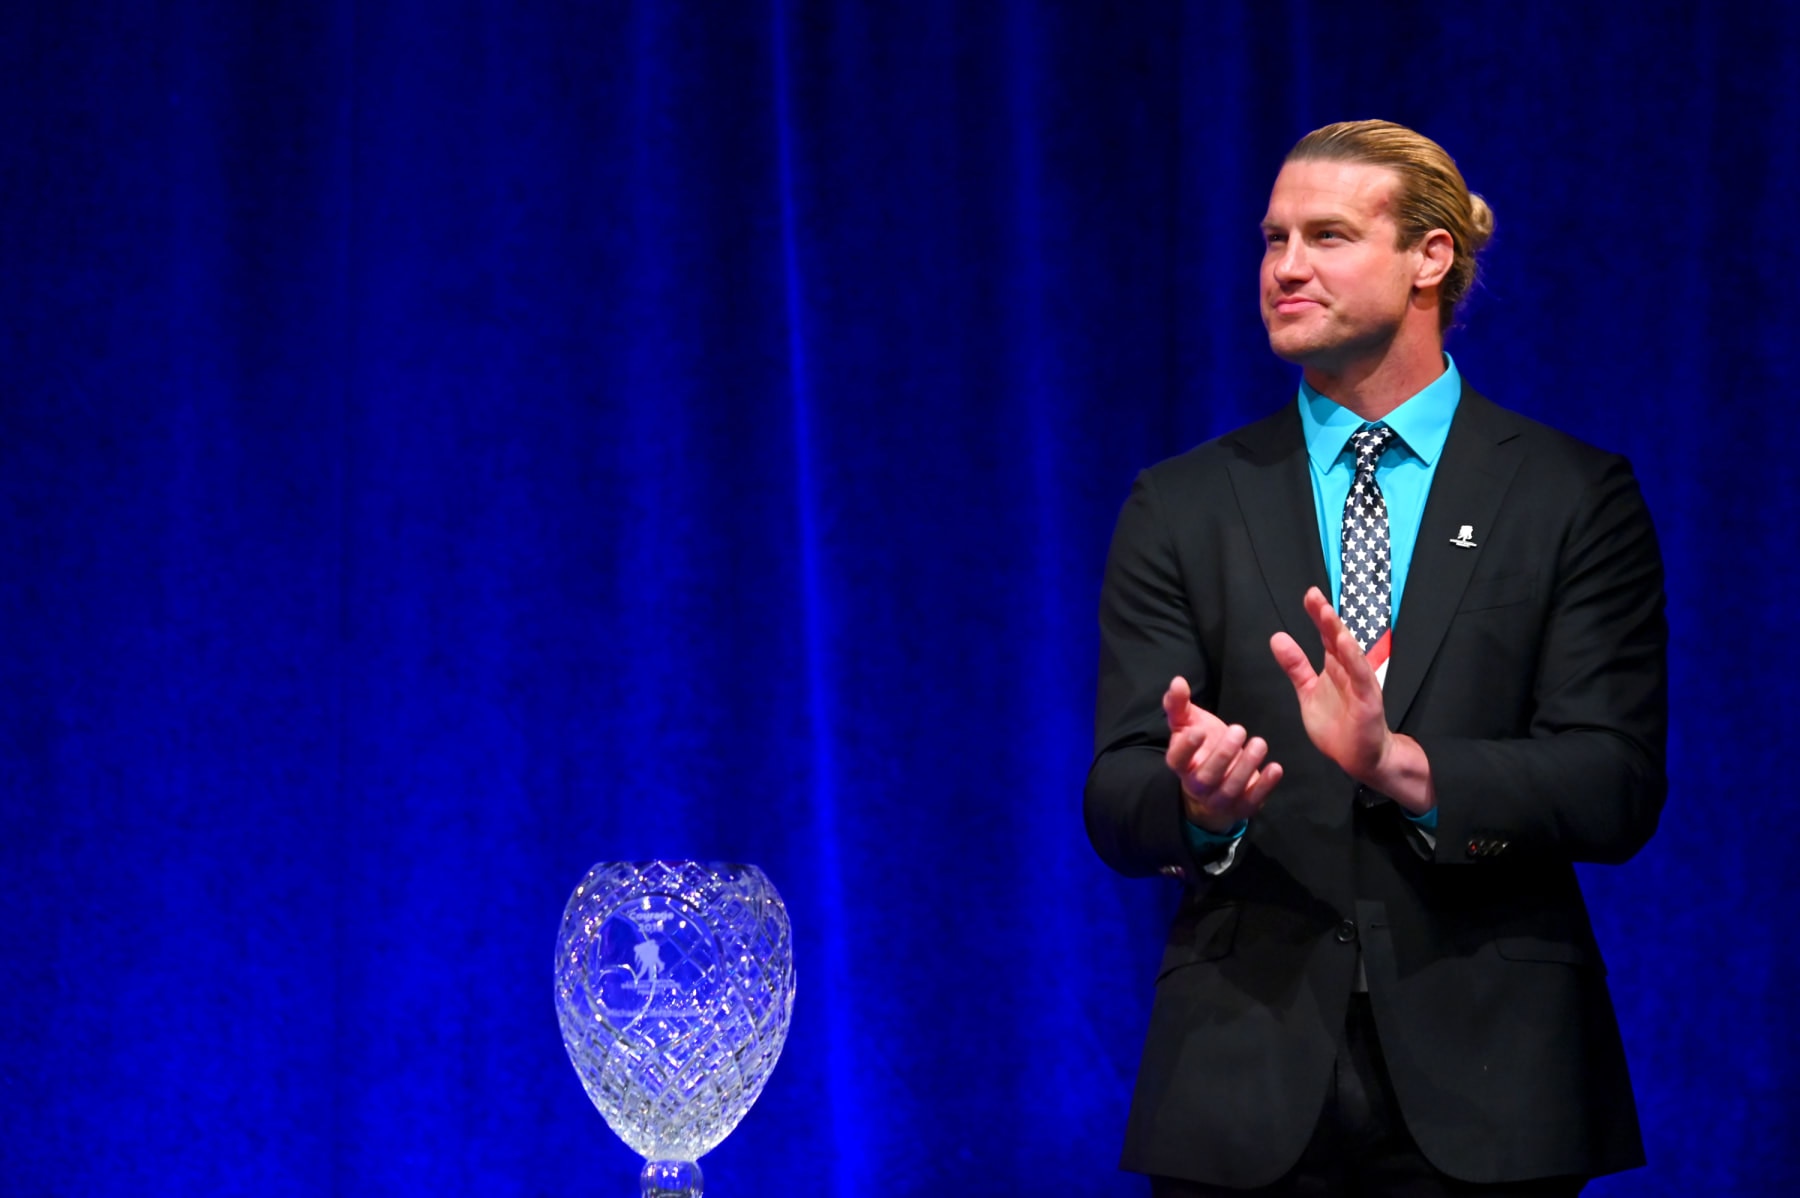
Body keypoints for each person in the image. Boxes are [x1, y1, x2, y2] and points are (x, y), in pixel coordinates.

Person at [1084, 120, 1666, 1196]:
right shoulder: (1182, 503)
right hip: (1240, 1083)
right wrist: (1203, 805)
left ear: (1429, 258)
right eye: (1272, 239)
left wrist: (1403, 764)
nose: (1285, 267)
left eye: (1327, 235)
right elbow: (1117, 790)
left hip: (1496, 1081)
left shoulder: (1569, 495)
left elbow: (1614, 784)